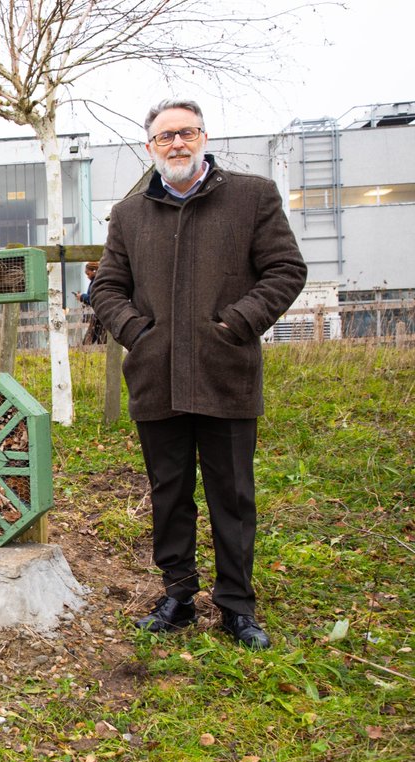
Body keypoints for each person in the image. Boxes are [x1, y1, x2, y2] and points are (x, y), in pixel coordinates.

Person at [89, 99, 307, 650]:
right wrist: (137, 332)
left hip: (224, 373)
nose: (177, 144)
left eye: (186, 133)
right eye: (165, 137)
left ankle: (236, 606)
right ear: (150, 148)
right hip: (155, 378)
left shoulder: (252, 197)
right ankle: (178, 596)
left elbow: (286, 270)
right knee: (170, 492)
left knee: (232, 495)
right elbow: (108, 288)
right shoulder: (130, 213)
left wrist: (237, 323)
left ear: (204, 137)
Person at [75, 261, 106, 345]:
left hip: (100, 316)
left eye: (88, 274)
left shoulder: (97, 282)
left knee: (89, 341)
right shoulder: (99, 280)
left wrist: (82, 297)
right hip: (100, 315)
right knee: (101, 340)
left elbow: (95, 299)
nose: (87, 277)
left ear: (94, 271)